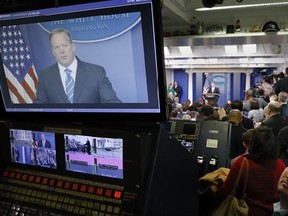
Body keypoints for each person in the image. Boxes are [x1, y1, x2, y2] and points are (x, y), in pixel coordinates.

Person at [34, 28, 121, 104]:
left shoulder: (96, 72)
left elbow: (111, 103)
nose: (61, 51)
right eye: (57, 47)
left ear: (73, 46)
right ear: (53, 51)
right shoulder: (45, 76)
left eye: (65, 45)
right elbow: (39, 106)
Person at [217, 126, 286, 216]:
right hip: (272, 212)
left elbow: (225, 192)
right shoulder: (280, 164)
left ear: (253, 144)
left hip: (245, 211)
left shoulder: (242, 162)